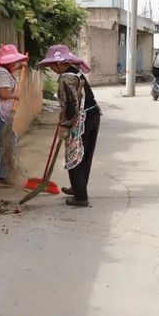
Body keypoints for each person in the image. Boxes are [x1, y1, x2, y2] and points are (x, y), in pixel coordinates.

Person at [38, 44, 100, 207]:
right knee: (85, 155)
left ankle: (80, 198)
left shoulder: (66, 77)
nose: (51, 68)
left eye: (52, 65)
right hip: (93, 115)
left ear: (61, 63)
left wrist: (65, 126)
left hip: (81, 120)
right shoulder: (75, 71)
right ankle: (79, 188)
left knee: (75, 157)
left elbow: (71, 105)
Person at [0, 44, 28, 185]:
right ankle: (3, 174)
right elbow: (3, 93)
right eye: (14, 61)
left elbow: (10, 74)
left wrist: (20, 66)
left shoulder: (0, 70)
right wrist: (15, 95)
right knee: (10, 139)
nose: (15, 63)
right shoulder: (1, 73)